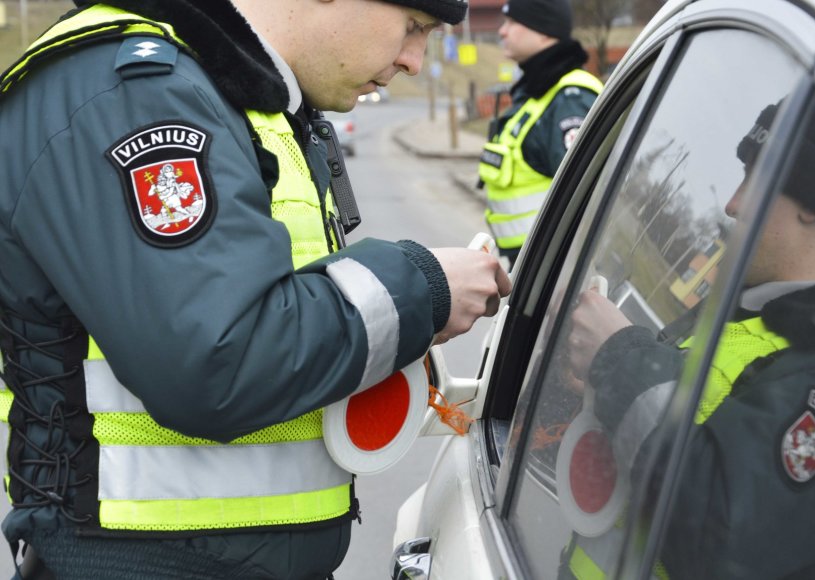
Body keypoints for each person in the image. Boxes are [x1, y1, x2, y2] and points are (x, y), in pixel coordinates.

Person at [0, 0, 511, 578]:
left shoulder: (231, 93)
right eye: (414, 26)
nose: (415, 60)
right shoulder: (138, 94)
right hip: (139, 561)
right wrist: (423, 288)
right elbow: (216, 363)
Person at [559, 97, 815, 579]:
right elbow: (663, 433)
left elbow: (720, 535)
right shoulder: (750, 319)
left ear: (811, 198)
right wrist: (602, 390)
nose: (732, 203)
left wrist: (620, 360)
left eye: (755, 176)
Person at [477, 0, 603, 268]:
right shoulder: (538, 91)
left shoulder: (570, 99)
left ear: (544, 30)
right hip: (531, 264)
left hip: (554, 269)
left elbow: (580, 197)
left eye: (513, 22)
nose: (502, 31)